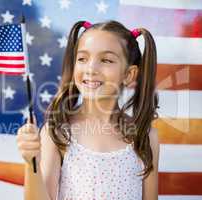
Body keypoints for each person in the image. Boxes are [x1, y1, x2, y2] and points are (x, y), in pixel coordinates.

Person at [16, 20, 160, 200]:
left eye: (106, 60)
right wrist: (32, 162)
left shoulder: (145, 137)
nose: (91, 69)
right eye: (82, 59)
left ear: (128, 74)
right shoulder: (57, 132)